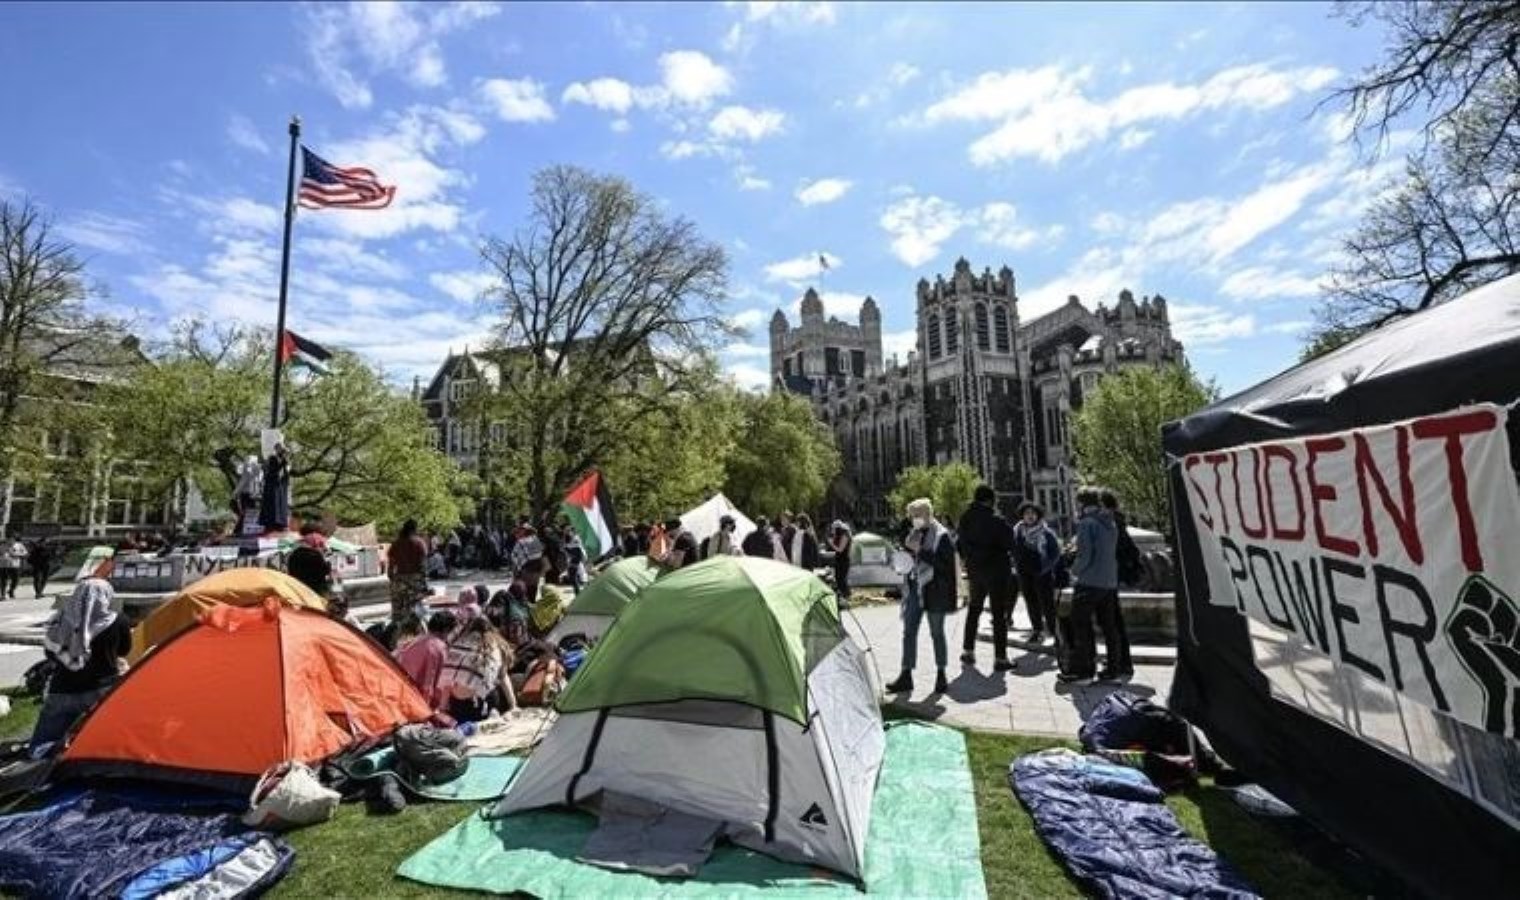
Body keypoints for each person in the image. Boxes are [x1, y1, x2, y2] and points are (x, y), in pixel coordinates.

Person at [33, 579, 132, 748]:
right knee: (105, 739)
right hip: (102, 688)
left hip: (63, 688)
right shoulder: (119, 620)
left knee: (44, 742)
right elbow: (124, 651)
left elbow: (50, 652)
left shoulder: (60, 619)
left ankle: (40, 766)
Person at [885, 499, 957, 695]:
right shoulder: (914, 534)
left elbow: (944, 565)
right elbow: (911, 560)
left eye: (917, 516)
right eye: (912, 517)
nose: (914, 520)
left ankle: (941, 674)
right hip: (915, 589)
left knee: (937, 633)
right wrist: (901, 560)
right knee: (909, 631)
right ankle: (906, 675)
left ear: (927, 515)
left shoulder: (941, 536)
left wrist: (920, 551)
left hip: (935, 591)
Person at [1058, 488, 1118, 684]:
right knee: (1109, 626)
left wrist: (1073, 571)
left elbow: (1085, 555)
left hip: (1089, 582)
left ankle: (1083, 671)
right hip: (1108, 582)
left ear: (1082, 504)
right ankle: (1113, 669)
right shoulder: (1110, 523)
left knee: (1081, 625)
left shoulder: (1087, 524)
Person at [956, 486, 1016, 671]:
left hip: (975, 571)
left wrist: (969, 559)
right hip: (996, 571)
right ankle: (1000, 658)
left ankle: (968, 650)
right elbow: (1010, 543)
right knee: (998, 614)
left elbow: (959, 544)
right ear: (990, 500)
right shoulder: (996, 520)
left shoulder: (965, 519)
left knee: (974, 609)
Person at [439, 616, 517, 721]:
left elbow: (448, 683)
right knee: (496, 680)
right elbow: (503, 677)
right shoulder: (495, 646)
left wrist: (442, 709)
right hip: (481, 705)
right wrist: (513, 705)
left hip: (458, 707)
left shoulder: (458, 645)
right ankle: (497, 711)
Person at [1097, 490, 1136, 682]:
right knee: (1114, 621)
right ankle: (1123, 662)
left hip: (1108, 577)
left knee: (1111, 622)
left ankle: (1120, 664)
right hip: (1112, 576)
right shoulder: (1116, 521)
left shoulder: (1110, 523)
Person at [1012, 503, 1061, 645]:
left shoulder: (1047, 533)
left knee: (1048, 605)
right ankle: (1037, 631)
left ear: (1038, 515)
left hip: (1042, 573)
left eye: (1033, 513)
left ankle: (1055, 634)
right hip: (1024, 573)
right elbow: (1013, 550)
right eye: (1027, 513)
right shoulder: (1017, 532)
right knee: (1031, 603)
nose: (1030, 516)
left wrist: (1046, 567)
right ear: (1022, 515)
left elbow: (1055, 553)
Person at [394, 612, 453, 710]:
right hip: (424, 705)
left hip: (405, 697)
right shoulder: (439, 647)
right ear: (447, 630)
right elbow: (434, 681)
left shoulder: (414, 642)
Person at [387, 519, 429, 624]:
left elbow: (391, 567)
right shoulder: (419, 543)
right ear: (414, 529)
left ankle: (396, 632)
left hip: (399, 580)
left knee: (398, 611)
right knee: (415, 609)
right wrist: (424, 583)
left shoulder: (396, 544)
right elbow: (423, 565)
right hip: (415, 580)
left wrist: (393, 579)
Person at [257, 443, 291, 532]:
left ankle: (280, 523)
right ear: (277, 449)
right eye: (280, 449)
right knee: (273, 504)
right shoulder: (273, 458)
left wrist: (285, 461)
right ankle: (272, 522)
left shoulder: (284, 459)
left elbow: (286, 471)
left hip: (280, 484)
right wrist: (283, 462)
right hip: (272, 484)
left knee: (281, 504)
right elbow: (273, 470)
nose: (282, 451)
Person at [828, 521, 853, 605]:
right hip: (839, 560)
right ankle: (843, 599)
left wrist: (831, 544)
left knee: (842, 580)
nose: (833, 530)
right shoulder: (839, 535)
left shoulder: (845, 535)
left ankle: (847, 598)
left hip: (844, 560)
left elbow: (840, 549)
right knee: (838, 579)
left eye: (834, 529)